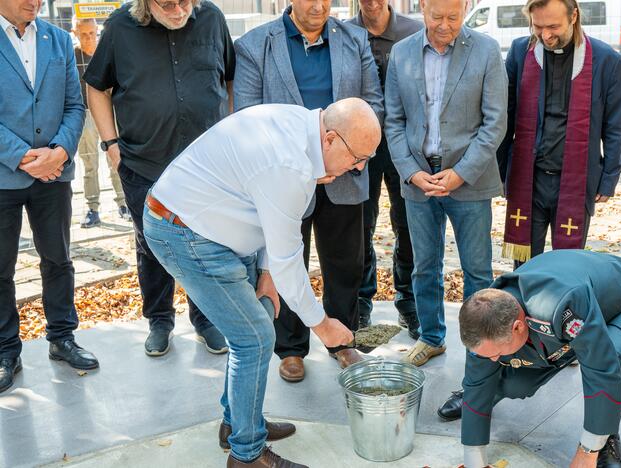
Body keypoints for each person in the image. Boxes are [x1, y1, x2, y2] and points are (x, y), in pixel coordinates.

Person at [144, 98, 375, 468]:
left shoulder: (304, 132)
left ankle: (237, 423)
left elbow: (276, 223)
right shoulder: (291, 165)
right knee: (254, 338)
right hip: (184, 230)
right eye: (357, 158)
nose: (359, 168)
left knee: (253, 329)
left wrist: (265, 274)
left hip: (211, 223)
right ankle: (246, 455)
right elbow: (289, 259)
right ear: (330, 138)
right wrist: (322, 325)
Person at [234, 0, 384, 381]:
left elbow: (373, 104)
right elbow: (249, 120)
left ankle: (342, 340)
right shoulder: (256, 46)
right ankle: (290, 347)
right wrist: (304, 167)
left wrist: (354, 156)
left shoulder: (355, 40)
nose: (319, 6)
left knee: (346, 265)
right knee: (284, 262)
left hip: (345, 177)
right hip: (284, 180)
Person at [84, 0, 235, 357]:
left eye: (185, 1)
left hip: (205, 165)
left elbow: (229, 77)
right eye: (167, 4)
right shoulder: (120, 26)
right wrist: (110, 143)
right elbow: (95, 87)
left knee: (206, 242)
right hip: (144, 163)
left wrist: (229, 132)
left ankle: (206, 318)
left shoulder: (212, 18)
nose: (179, 10)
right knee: (152, 245)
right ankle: (160, 320)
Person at [438, 250, 621, 468]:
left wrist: (588, 450)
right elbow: (478, 378)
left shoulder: (564, 307)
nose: (492, 358)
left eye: (495, 352)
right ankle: (488, 398)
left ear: (517, 327)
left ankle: (607, 438)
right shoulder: (484, 316)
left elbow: (600, 371)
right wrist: (474, 459)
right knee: (514, 383)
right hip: (571, 317)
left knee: (614, 357)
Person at [385, 0, 508, 367]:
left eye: (453, 17)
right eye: (436, 16)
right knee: (424, 267)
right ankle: (432, 336)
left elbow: (495, 123)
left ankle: (480, 346)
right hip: (419, 182)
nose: (444, 25)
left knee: (477, 270)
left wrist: (461, 173)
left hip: (469, 181)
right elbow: (393, 120)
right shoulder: (401, 53)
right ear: (422, 8)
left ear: (466, 8)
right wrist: (410, 170)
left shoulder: (486, 50)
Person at [0, 0, 97, 394]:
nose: (35, 1)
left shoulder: (57, 39)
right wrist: (22, 158)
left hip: (55, 174)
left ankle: (62, 338)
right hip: (4, 177)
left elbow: (75, 106)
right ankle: (6, 350)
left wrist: (59, 150)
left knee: (58, 259)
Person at [497, 0, 621, 266]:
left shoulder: (606, 60)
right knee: (525, 266)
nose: (545, 35)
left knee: (566, 266)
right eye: (538, 26)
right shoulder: (521, 52)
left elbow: (614, 126)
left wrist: (609, 177)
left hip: (576, 181)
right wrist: (500, 171)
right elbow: (505, 117)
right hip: (528, 179)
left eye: (554, 26)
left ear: (574, 16)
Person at [348, 0, 423, 336]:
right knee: (360, 226)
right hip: (358, 148)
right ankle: (362, 301)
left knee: (407, 225)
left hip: (404, 146)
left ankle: (408, 302)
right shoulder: (345, 34)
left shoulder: (413, 32)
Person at [71, 17, 129, 228]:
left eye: (92, 33)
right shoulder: (73, 56)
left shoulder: (104, 52)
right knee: (90, 164)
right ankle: (93, 208)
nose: (89, 38)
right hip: (84, 113)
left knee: (115, 159)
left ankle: (123, 204)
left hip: (108, 112)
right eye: (84, 33)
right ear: (75, 32)